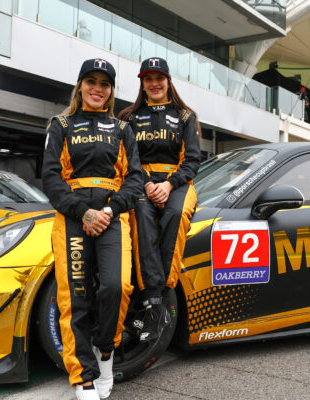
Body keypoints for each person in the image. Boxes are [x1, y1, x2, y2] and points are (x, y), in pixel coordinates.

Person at [42, 58, 144, 400]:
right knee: (75, 297)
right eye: (91, 81)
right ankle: (83, 376)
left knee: (117, 286)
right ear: (80, 86)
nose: (97, 89)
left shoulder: (122, 129)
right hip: (72, 216)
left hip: (113, 216)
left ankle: (106, 351)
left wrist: (110, 209)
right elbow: (51, 178)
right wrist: (83, 212)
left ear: (111, 91)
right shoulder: (61, 124)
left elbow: (135, 178)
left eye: (104, 83)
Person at [117, 57, 200, 342]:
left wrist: (168, 185)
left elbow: (192, 161)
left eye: (159, 78)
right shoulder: (127, 117)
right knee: (141, 218)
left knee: (175, 216)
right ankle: (153, 302)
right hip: (140, 182)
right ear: (142, 82)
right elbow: (128, 159)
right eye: (148, 79)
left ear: (168, 81)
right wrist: (150, 186)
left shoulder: (186, 116)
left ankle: (162, 296)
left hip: (179, 182)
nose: (154, 83)